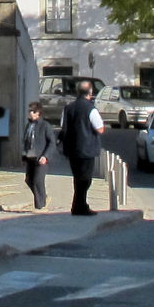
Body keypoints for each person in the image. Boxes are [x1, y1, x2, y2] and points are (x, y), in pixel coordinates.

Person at [58, 79, 105, 215]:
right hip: (87, 148)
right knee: (85, 179)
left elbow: (63, 126)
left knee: (77, 178)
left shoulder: (68, 108)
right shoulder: (91, 108)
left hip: (72, 148)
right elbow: (100, 128)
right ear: (90, 92)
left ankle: (79, 205)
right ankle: (79, 206)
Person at [20, 101, 53, 210]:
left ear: (38, 113)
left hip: (40, 158)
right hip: (30, 158)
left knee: (38, 181)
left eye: (33, 111)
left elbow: (51, 142)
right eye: (30, 111)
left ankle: (41, 206)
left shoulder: (45, 125)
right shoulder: (28, 125)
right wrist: (24, 155)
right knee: (29, 180)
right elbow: (26, 141)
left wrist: (45, 156)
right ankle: (44, 198)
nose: (31, 113)